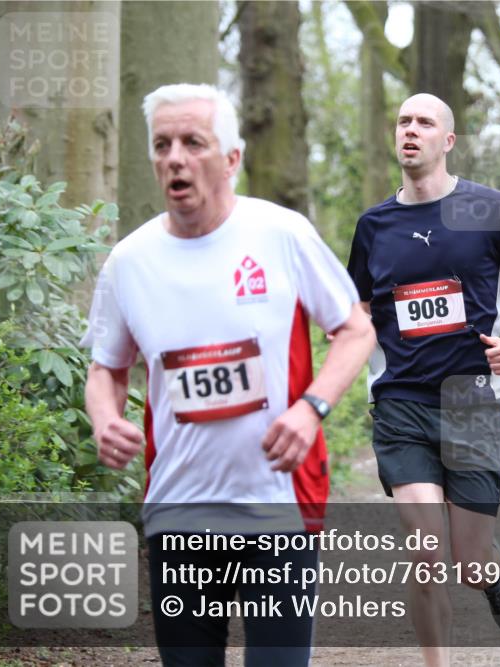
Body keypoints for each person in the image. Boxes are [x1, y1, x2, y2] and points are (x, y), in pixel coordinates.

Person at [83, 83, 375, 667]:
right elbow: (106, 369)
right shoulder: (129, 263)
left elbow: (356, 330)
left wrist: (309, 407)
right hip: (179, 511)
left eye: (194, 142)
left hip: (277, 506)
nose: (175, 158)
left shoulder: (281, 235)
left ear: (232, 159)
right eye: (163, 145)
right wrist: (105, 418)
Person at [346, 93, 500, 666]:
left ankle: (491, 573)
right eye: (403, 121)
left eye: (424, 122)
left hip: (474, 402)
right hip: (401, 403)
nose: (410, 130)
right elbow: (359, 311)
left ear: (449, 140)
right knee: (424, 551)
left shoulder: (489, 209)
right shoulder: (374, 225)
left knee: (468, 561)